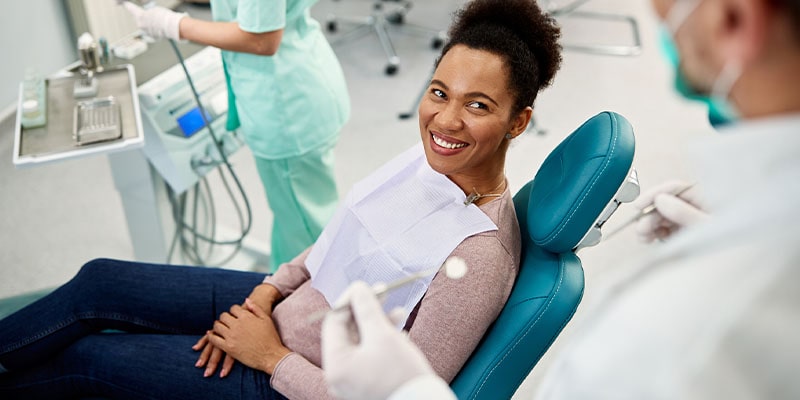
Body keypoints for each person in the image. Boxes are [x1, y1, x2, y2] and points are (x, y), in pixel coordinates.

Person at [0, 0, 562, 398]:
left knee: (90, 360)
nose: (445, 119)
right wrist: (266, 293)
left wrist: (268, 354)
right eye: (438, 92)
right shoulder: (428, 162)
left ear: (519, 121)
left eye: (478, 105)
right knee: (101, 281)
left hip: (288, 379)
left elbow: (399, 397)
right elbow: (334, 243)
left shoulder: (481, 260)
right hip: (284, 304)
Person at [320, 0, 800, 398]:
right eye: (439, 93)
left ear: (733, 18)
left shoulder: (688, 329)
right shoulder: (763, 241)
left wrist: (404, 392)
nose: (445, 120)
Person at [122, 0, 351, 270]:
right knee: (295, 211)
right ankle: (281, 281)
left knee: (307, 234)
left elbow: (261, 40)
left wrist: (174, 25)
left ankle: (306, 304)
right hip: (304, 76)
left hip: (286, 105)